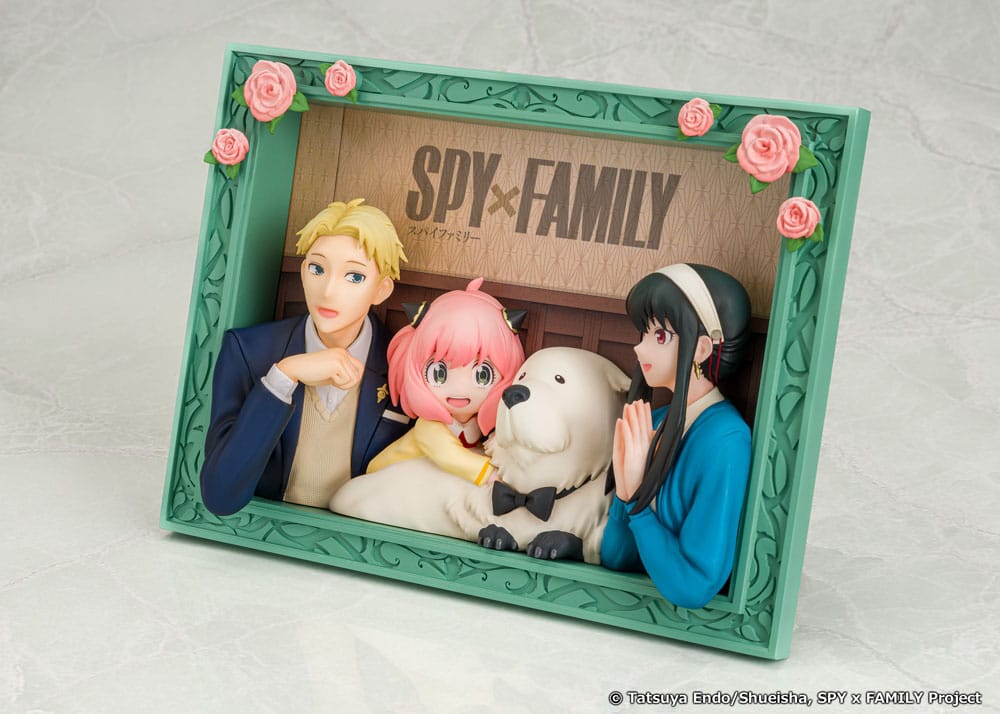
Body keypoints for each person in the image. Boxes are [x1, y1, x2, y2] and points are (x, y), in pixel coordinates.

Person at [199, 198, 412, 515]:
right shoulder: (246, 350)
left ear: (381, 290)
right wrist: (283, 377)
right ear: (302, 272)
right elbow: (219, 495)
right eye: (317, 269)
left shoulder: (405, 365)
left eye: (354, 277)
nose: (328, 291)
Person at [601, 263, 752, 609]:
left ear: (701, 349)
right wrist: (626, 494)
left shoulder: (726, 442)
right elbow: (616, 555)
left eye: (659, 337)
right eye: (643, 335)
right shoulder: (653, 421)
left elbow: (692, 586)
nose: (639, 350)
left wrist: (637, 502)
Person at [362, 277, 526, 485]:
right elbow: (451, 456)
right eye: (438, 373)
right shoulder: (429, 428)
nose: (459, 388)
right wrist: (490, 475)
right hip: (385, 481)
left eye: (482, 375)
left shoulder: (476, 426)